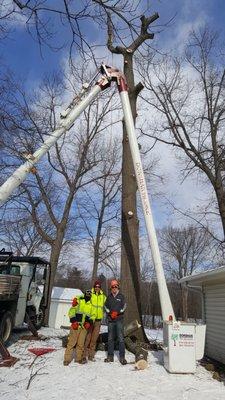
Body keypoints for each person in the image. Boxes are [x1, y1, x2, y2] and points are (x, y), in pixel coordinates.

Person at [63, 289, 96, 366]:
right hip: (76, 325)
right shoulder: (79, 301)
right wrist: (73, 321)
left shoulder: (91, 305)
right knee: (71, 343)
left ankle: (78, 359)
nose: (88, 296)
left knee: (81, 344)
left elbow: (93, 316)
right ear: (84, 294)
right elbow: (71, 311)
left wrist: (89, 322)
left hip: (84, 327)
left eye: (89, 295)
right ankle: (67, 359)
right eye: (86, 295)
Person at [104, 279, 127, 365]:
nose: (114, 288)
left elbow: (124, 306)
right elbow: (105, 307)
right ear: (111, 288)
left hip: (119, 320)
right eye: (112, 287)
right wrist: (110, 313)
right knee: (110, 338)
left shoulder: (121, 296)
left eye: (115, 286)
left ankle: (122, 357)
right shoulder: (109, 297)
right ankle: (110, 356)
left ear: (118, 287)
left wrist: (117, 312)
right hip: (111, 321)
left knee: (121, 338)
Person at [83, 280, 106, 362]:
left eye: (98, 286)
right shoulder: (90, 294)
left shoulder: (103, 296)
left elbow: (107, 306)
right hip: (90, 319)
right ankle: (83, 355)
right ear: (94, 287)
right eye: (96, 286)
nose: (97, 288)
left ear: (100, 288)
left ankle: (91, 355)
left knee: (94, 338)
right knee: (87, 338)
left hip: (98, 320)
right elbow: (84, 303)